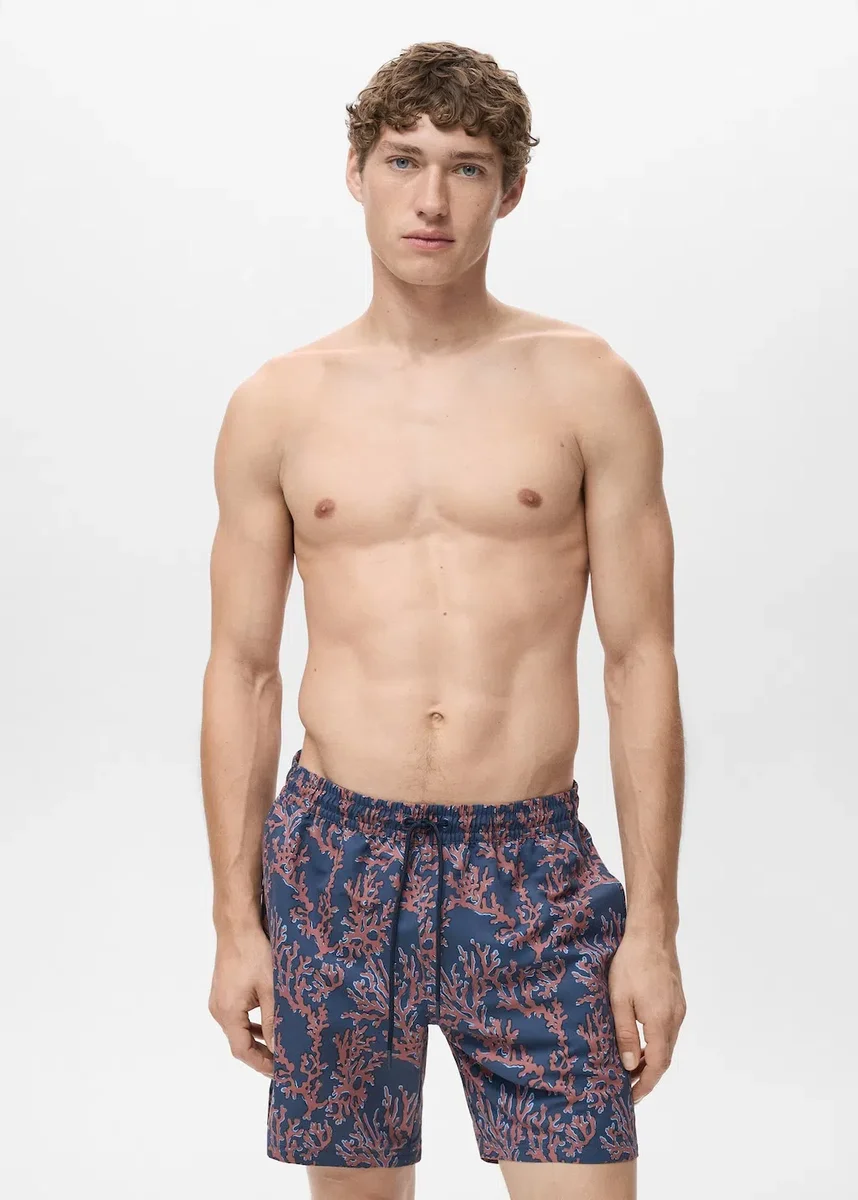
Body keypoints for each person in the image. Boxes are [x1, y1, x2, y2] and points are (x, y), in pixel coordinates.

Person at [200, 39, 686, 1200]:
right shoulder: (279, 403)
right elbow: (242, 671)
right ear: (356, 172)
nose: (431, 199)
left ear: (508, 190)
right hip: (333, 861)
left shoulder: (589, 386)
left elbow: (640, 662)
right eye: (403, 160)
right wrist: (234, 924)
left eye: (467, 167)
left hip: (528, 866)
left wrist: (654, 932)